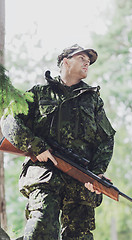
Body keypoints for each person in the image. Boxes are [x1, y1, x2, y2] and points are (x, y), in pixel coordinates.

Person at [1, 44, 115, 240]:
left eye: (89, 61)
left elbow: (106, 139)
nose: (87, 62)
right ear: (66, 61)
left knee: (80, 236)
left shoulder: (93, 100)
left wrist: (97, 172)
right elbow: (10, 121)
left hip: (81, 181)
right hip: (45, 175)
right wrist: (36, 146)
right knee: (40, 230)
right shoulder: (39, 93)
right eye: (82, 58)